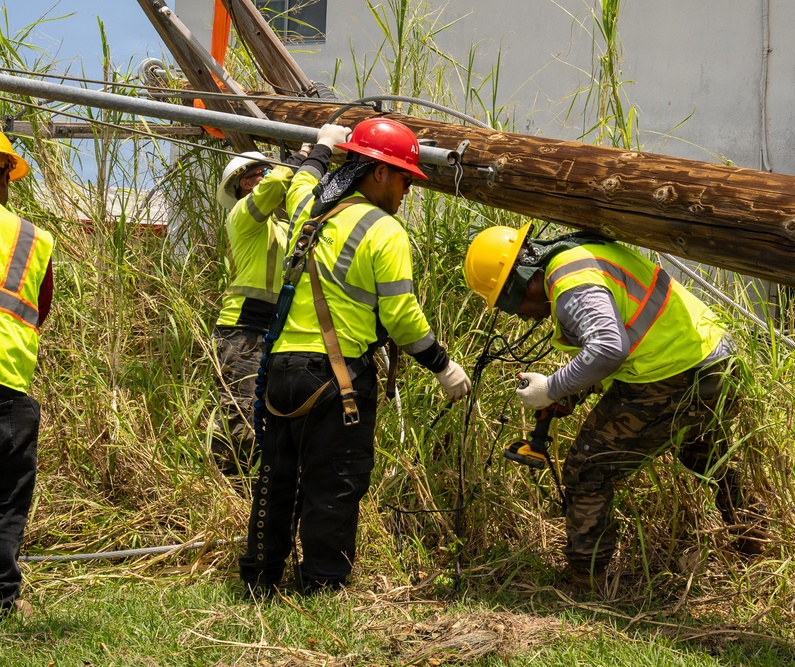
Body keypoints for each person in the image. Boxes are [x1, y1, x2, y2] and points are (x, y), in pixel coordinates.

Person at [239, 119, 471, 595]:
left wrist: (321, 148)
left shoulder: (310, 210)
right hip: (337, 377)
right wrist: (443, 366)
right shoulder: (385, 230)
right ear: (380, 172)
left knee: (276, 480)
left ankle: (260, 580)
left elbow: (302, 181)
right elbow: (402, 316)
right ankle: (322, 586)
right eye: (405, 179)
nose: (408, 191)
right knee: (335, 482)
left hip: (281, 369)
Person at [463, 223, 764, 588]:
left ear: (521, 280)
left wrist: (552, 388)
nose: (519, 316)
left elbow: (608, 348)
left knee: (587, 468)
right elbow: (630, 337)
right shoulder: (582, 258)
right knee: (705, 454)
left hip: (672, 374)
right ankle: (755, 543)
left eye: (507, 304)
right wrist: (569, 393)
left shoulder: (569, 282)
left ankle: (584, 579)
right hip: (713, 362)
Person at [211, 146, 311, 475]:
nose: (269, 176)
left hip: (273, 331)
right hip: (243, 331)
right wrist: (303, 156)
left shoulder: (281, 227)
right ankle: (227, 487)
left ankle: (254, 487)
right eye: (262, 172)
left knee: (269, 418)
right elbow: (277, 183)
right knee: (238, 416)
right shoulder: (242, 215)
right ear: (245, 184)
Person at [0, 132, 54, 618]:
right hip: (10, 382)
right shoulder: (33, 237)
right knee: (7, 498)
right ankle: (2, 599)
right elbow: (42, 307)